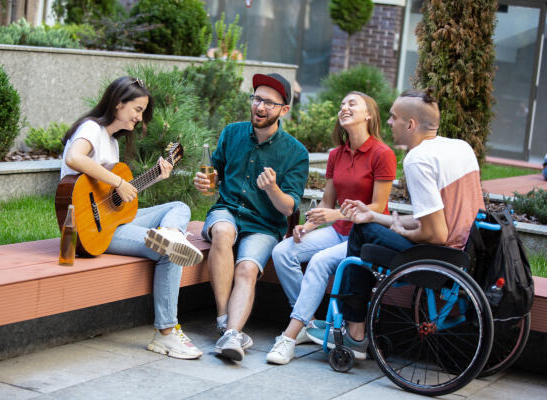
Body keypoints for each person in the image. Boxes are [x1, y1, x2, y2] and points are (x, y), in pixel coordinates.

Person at [333, 88, 485, 357]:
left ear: (410, 124)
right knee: (367, 223)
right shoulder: (459, 147)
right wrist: (376, 216)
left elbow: (436, 233)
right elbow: (435, 215)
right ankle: (357, 326)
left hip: (440, 256)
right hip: (467, 250)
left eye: (393, 117)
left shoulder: (417, 159)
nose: (389, 123)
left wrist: (402, 230)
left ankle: (355, 333)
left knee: (360, 232)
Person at [60, 76, 204, 360]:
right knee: (169, 254)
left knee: (179, 208)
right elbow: (75, 159)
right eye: (137, 109)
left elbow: (118, 197)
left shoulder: (112, 144)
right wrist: (117, 181)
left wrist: (154, 177)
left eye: (142, 111)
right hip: (87, 229)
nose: (139, 117)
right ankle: (165, 334)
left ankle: (171, 233)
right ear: (117, 104)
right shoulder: (91, 129)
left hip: (113, 221)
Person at [265, 92, 396, 365]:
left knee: (319, 262)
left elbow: (377, 207)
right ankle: (308, 322)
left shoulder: (382, 154)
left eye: (352, 104)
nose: (344, 108)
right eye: (342, 104)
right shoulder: (336, 154)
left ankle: (288, 337)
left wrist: (334, 213)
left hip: (364, 236)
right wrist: (308, 226)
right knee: (283, 252)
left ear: (369, 115)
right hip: (337, 231)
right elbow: (327, 202)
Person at [193, 73, 309, 362]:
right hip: (227, 211)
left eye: (269, 103)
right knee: (222, 232)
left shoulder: (296, 153)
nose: (260, 106)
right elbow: (214, 175)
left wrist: (271, 188)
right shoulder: (232, 133)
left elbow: (288, 208)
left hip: (264, 225)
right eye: (257, 98)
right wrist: (206, 182)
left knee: (247, 269)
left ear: (284, 110)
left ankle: (232, 334)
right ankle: (224, 321)